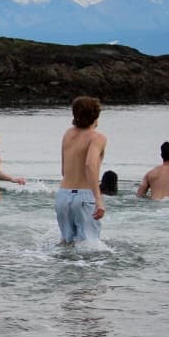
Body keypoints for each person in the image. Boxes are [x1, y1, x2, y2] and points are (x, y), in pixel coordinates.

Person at [56, 96, 107, 245]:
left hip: (63, 195)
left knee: (66, 244)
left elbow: (64, 170)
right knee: (88, 247)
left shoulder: (68, 134)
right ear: (96, 116)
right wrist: (98, 200)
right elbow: (90, 165)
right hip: (85, 196)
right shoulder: (97, 137)